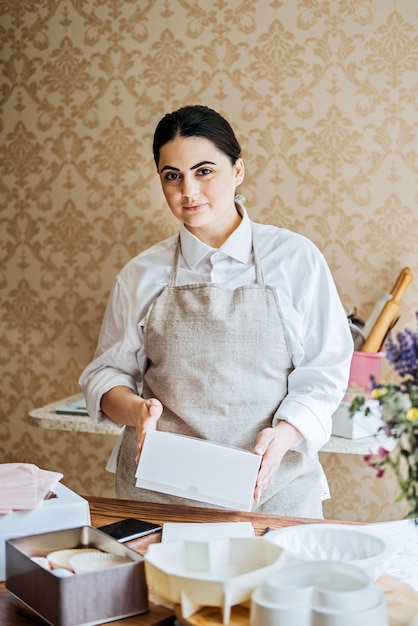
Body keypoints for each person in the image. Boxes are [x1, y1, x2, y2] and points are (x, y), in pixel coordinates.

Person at [79, 104, 353, 517]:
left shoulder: (296, 259)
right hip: (160, 496)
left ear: (237, 171)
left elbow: (325, 371)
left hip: (275, 490)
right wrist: (137, 411)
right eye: (172, 176)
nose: (188, 190)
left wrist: (284, 435)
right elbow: (106, 374)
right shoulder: (140, 274)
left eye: (204, 171)